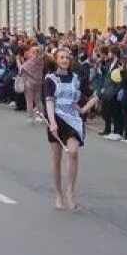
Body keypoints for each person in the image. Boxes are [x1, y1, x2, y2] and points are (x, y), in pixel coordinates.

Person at [43, 48, 95, 211]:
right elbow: (49, 102)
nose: (65, 60)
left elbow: (94, 95)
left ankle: (70, 191)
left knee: (73, 152)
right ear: (56, 60)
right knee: (56, 157)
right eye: (61, 57)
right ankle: (58, 194)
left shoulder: (77, 79)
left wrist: (83, 109)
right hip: (57, 119)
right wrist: (52, 122)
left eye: (67, 58)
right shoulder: (50, 80)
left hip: (74, 120)